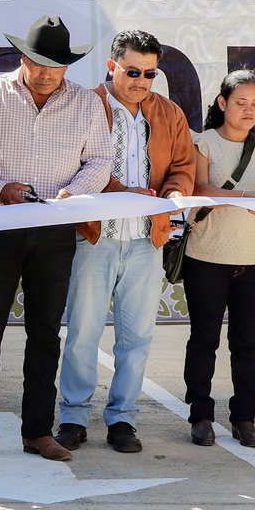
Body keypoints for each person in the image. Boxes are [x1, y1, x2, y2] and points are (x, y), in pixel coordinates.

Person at [0, 15, 113, 462]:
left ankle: (38, 432)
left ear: (68, 65)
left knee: (45, 331)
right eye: (39, 62)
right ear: (23, 57)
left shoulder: (85, 103)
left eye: (57, 65)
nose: (47, 72)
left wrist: (76, 193)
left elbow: (100, 160)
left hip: (55, 229)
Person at [59, 29, 199, 454]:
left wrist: (175, 193)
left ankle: (122, 418)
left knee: (137, 336)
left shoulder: (169, 112)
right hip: (95, 237)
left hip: (146, 240)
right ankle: (73, 416)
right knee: (83, 332)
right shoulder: (84, 105)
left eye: (150, 73)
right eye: (132, 71)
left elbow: (182, 164)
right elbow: (73, 165)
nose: (141, 81)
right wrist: (122, 193)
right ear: (112, 66)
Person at [181, 72, 255, 448]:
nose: (248, 110)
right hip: (207, 257)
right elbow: (197, 189)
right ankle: (200, 415)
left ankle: (244, 416)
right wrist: (246, 196)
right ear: (222, 103)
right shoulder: (203, 142)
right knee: (204, 339)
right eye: (240, 102)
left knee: (246, 343)